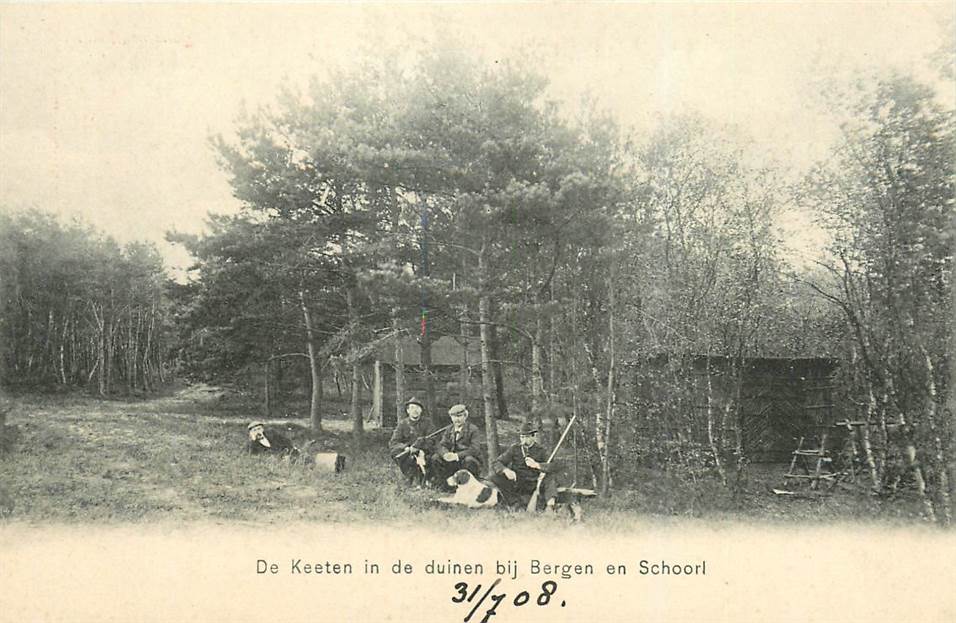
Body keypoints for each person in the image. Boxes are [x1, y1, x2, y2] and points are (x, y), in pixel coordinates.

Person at [490, 420, 559, 512]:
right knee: (495, 477)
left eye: (526, 437)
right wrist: (506, 470)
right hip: (519, 481)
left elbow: (553, 466)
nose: (523, 440)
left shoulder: (541, 450)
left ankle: (550, 506)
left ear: (533, 437)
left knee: (550, 477)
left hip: (535, 482)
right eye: (522, 437)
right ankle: (515, 503)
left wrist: (537, 465)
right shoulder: (514, 449)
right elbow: (496, 462)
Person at [432, 404, 483, 488]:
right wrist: (445, 454)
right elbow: (442, 445)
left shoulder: (473, 429)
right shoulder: (449, 429)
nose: (457, 419)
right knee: (435, 458)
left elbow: (475, 449)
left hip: (466, 460)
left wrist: (456, 456)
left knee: (469, 460)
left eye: (459, 416)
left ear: (465, 416)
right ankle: (445, 486)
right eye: (454, 417)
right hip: (452, 461)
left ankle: (468, 487)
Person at [388, 397, 434, 486]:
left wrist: (421, 448)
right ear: (408, 411)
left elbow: (432, 439)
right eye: (412, 408)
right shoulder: (402, 424)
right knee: (396, 453)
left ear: (421, 410)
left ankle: (427, 478)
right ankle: (410, 476)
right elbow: (394, 442)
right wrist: (406, 447)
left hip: (424, 451)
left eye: (417, 408)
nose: (415, 410)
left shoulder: (428, 423)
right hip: (408, 451)